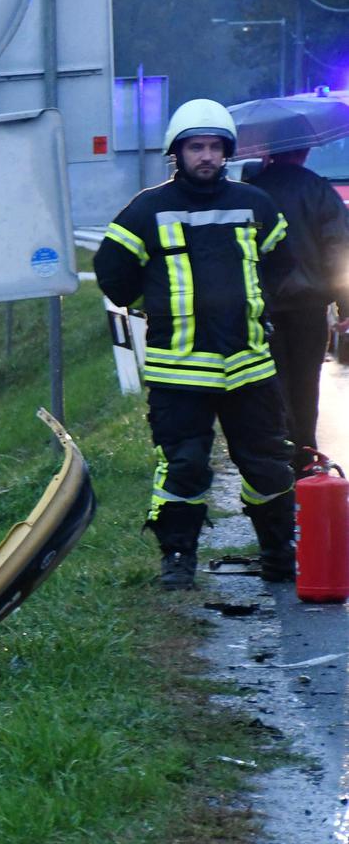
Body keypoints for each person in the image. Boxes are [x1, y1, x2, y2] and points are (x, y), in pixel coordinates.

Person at [94, 99, 296, 590]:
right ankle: (179, 561)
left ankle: (277, 553)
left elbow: (282, 265)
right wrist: (157, 302)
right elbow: (112, 275)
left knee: (267, 461)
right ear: (177, 153)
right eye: (195, 147)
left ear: (226, 151)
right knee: (182, 467)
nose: (205, 156)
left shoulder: (256, 203)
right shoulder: (146, 209)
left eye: (213, 147)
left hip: (249, 368)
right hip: (178, 372)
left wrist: (252, 304)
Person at [246, 143, 349, 473]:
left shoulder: (251, 192)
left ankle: (281, 453)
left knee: (274, 382)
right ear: (303, 151)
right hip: (310, 305)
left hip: (264, 306)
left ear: (268, 152)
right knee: (307, 381)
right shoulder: (318, 189)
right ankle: (306, 455)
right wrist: (345, 305)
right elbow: (338, 249)